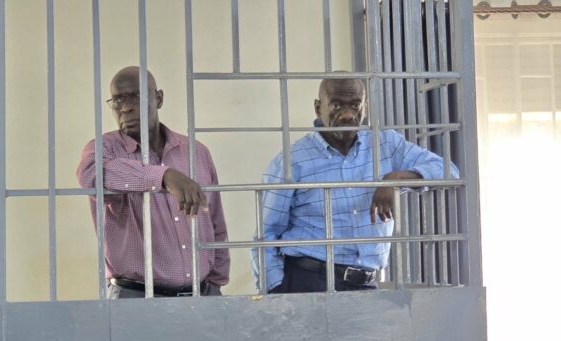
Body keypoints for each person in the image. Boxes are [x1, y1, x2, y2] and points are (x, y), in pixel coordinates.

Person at [252, 77, 459, 293]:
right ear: (318, 108)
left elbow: (448, 171)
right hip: (309, 283)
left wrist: (396, 179)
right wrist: (275, 291)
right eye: (336, 105)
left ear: (365, 106)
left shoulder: (386, 144)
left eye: (355, 105)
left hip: (366, 284)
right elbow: (266, 233)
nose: (348, 114)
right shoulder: (291, 161)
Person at [77, 66, 229, 298]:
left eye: (136, 96)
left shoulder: (195, 152)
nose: (126, 107)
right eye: (117, 100)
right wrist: (164, 176)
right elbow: (92, 176)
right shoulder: (105, 149)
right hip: (135, 297)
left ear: (158, 99)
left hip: (203, 295)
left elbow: (215, 221)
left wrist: (217, 283)